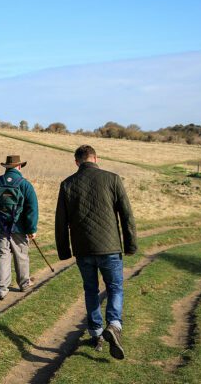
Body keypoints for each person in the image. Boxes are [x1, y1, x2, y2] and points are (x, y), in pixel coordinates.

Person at [55, 145, 137, 360]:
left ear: (76, 162)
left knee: (90, 290)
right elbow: (127, 215)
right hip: (110, 247)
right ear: (95, 158)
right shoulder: (113, 179)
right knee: (115, 287)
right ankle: (114, 325)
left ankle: (96, 333)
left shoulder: (67, 184)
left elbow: (60, 223)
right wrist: (130, 245)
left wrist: (64, 251)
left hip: (83, 249)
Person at [0, 155, 39, 301]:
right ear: (19, 167)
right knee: (21, 255)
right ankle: (24, 283)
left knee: (2, 256)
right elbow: (32, 208)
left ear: (6, 167)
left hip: (1, 228)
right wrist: (31, 228)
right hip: (19, 229)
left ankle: (1, 289)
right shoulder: (25, 185)